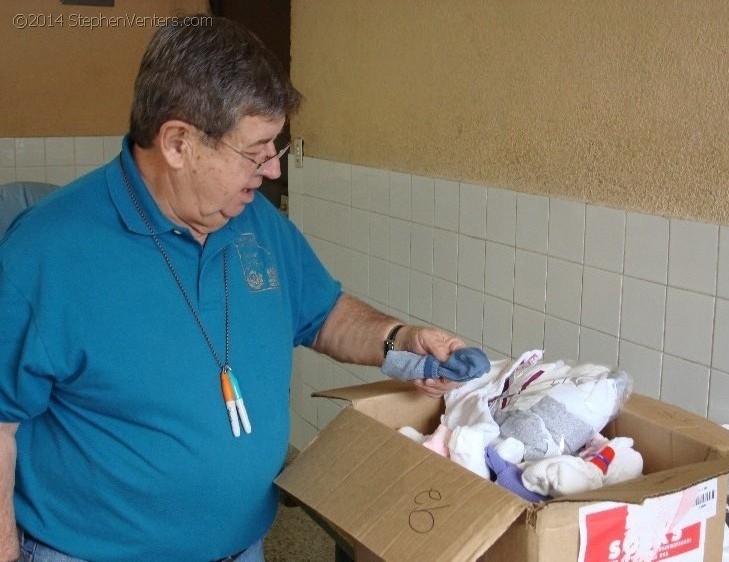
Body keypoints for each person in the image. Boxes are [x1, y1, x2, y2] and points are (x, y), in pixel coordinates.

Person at [0, 15, 464, 562]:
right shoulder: (45, 253)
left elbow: (324, 313)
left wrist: (399, 340)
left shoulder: (253, 222)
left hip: (243, 549)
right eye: (255, 150)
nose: (271, 170)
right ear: (178, 143)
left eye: (276, 147)